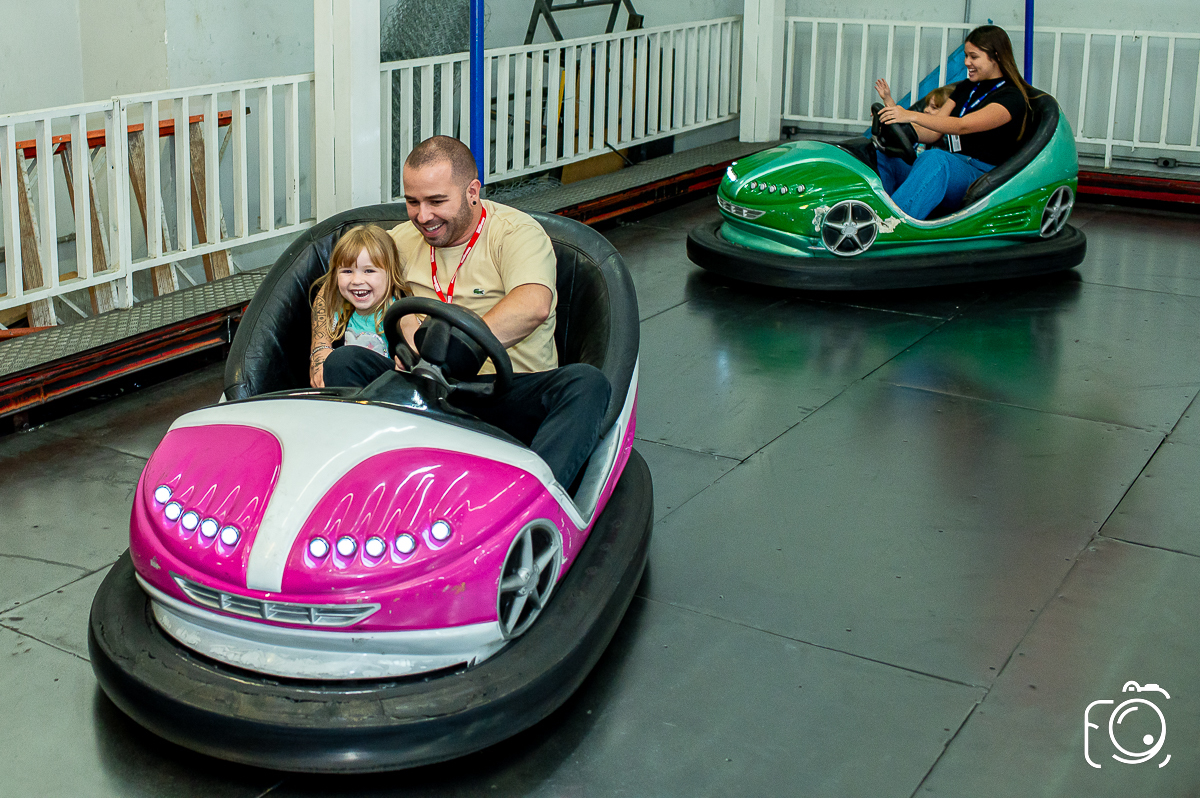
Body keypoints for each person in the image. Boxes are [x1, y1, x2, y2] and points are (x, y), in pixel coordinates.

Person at [321, 135, 611, 490]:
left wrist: (461, 351)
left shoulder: (515, 234)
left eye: (436, 201)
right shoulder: (400, 240)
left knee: (587, 384)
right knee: (344, 362)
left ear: (472, 191)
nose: (422, 216)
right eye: (412, 202)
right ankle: (377, 482)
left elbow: (533, 304)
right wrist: (321, 348)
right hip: (427, 391)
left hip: (503, 393)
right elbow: (334, 281)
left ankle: (530, 499)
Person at [874, 25, 1032, 220]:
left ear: (996, 56)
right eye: (966, 56)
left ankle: (892, 225)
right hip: (952, 167)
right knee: (885, 154)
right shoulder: (967, 87)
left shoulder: (1011, 97)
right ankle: (881, 213)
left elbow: (962, 125)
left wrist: (909, 115)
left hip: (982, 177)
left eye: (974, 57)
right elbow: (934, 130)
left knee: (936, 159)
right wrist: (893, 123)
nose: (967, 62)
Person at [309, 224, 407, 389]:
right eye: (347, 271)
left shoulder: (397, 315)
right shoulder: (339, 313)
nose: (356, 280)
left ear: (390, 274)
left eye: (369, 271)